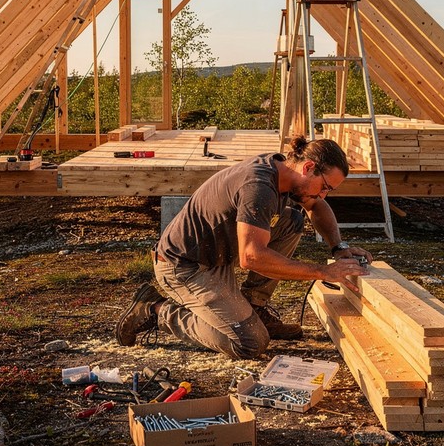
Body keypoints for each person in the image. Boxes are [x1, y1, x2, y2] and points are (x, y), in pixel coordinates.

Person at [115, 136, 374, 360]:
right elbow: (252, 257)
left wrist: (338, 247)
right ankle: (156, 309)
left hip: (214, 257)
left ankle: (253, 305)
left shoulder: (283, 173)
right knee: (251, 343)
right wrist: (322, 272)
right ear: (308, 167)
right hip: (184, 266)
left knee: (292, 220)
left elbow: (315, 206)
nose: (324, 195)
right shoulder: (259, 187)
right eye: (325, 187)